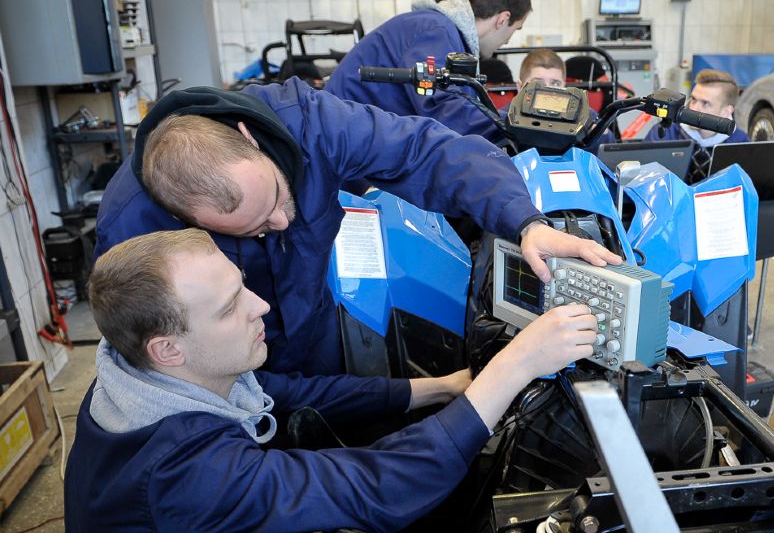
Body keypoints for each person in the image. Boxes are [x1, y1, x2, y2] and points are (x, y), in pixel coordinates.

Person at [63, 229, 597, 533]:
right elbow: (377, 487)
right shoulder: (184, 473)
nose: (261, 307)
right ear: (168, 349)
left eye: (242, 285)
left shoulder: (133, 379)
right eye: (230, 308)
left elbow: (295, 391)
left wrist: (440, 388)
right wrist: (515, 365)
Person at [94, 78, 620, 377]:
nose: (280, 224)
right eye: (254, 231)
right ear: (185, 220)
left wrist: (522, 220)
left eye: (278, 198)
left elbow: (429, 152)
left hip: (315, 327)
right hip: (228, 370)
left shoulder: (307, 123)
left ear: (250, 139)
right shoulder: (132, 230)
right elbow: (160, 364)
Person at [328, 0, 530, 142]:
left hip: (355, 136)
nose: (509, 40)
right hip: (340, 144)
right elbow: (447, 114)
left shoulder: (444, 33)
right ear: (503, 19)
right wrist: (518, 114)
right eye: (516, 29)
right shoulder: (435, 33)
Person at [645, 68, 749, 147]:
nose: (694, 108)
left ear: (726, 111)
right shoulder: (665, 133)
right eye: (694, 99)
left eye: (705, 103)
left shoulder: (740, 143)